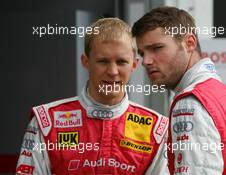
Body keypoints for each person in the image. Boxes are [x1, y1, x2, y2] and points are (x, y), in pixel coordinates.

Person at [16, 17, 169, 175]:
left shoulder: (156, 129)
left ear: (134, 64)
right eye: (103, 61)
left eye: (121, 61)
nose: (112, 71)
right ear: (86, 62)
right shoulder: (47, 122)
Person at [132, 6, 226, 175]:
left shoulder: (191, 102)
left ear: (190, 43)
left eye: (157, 48)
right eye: (142, 53)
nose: (146, 61)